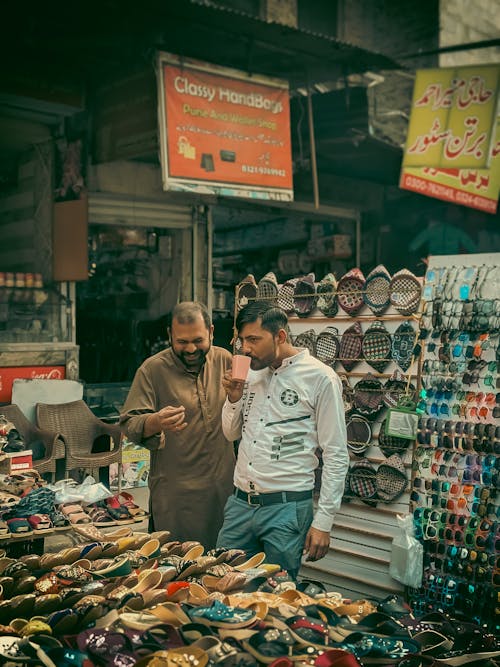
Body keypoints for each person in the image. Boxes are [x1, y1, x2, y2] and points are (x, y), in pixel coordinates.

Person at [217, 301, 349, 578]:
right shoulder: (250, 374)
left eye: (254, 339)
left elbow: (336, 453)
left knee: (275, 596)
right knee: (223, 583)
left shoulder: (321, 378)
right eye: (242, 340)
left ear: (280, 336)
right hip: (240, 504)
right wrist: (233, 398)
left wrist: (324, 521)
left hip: (286, 509)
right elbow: (230, 434)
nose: (245, 348)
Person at [120, 301, 235, 549]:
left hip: (223, 489)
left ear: (212, 333)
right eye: (182, 342)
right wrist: (155, 421)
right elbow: (129, 422)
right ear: (170, 335)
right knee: (180, 567)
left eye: (198, 340)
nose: (191, 348)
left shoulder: (225, 360)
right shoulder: (152, 369)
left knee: (226, 566)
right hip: (177, 497)